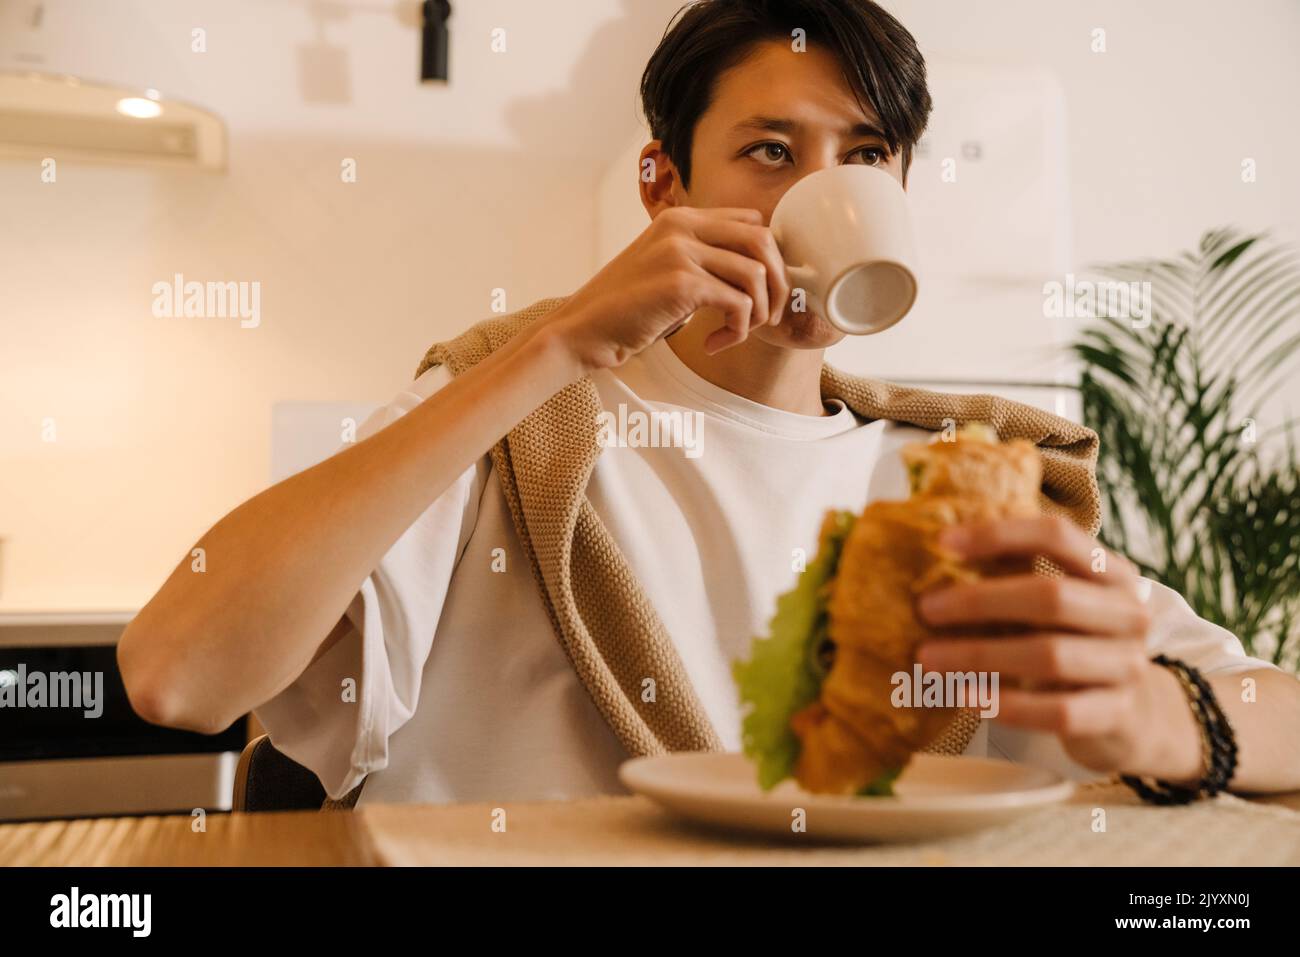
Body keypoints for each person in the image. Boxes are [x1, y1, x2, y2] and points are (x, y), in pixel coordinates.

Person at [118, 0, 1300, 807]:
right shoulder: (510, 415)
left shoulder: (963, 471)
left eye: (865, 153)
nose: (822, 190)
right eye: (771, 151)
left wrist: (1157, 717)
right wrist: (561, 339)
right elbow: (175, 674)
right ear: (664, 183)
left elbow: (1278, 711)